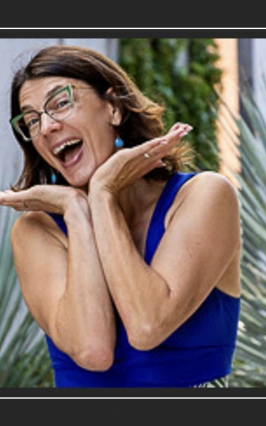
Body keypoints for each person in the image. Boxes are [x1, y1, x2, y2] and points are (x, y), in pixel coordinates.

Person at [0, 44, 242, 388]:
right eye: (32, 120)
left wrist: (102, 194)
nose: (48, 127)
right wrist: (77, 211)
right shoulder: (37, 230)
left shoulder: (204, 196)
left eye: (61, 103)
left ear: (113, 108)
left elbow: (147, 325)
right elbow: (93, 350)